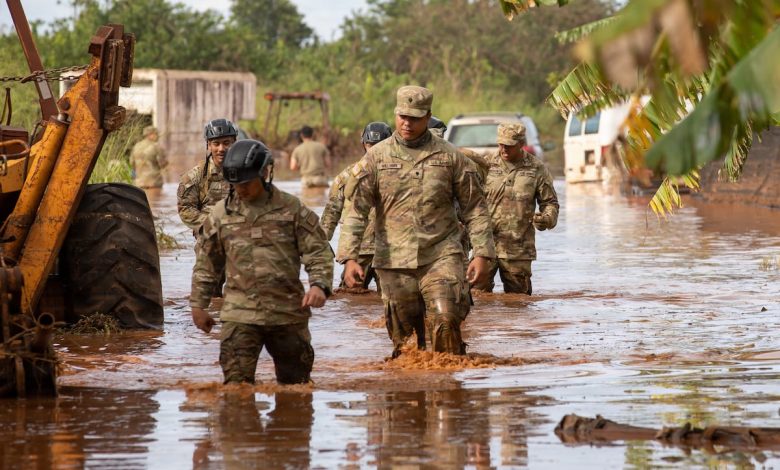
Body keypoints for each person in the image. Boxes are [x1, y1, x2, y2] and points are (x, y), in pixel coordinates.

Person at [338, 85, 495, 357]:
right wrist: (349, 257)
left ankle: (449, 391)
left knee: (445, 321)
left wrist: (482, 254)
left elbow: (475, 208)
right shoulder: (375, 158)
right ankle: (410, 394)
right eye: (402, 116)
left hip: (441, 254)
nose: (407, 123)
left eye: (415, 117)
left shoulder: (450, 157)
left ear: (428, 116)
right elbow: (356, 210)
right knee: (407, 343)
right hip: (393, 260)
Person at [190, 139, 334, 385]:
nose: (241, 190)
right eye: (234, 184)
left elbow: (318, 250)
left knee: (296, 392)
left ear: (265, 173)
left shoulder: (291, 209)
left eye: (246, 183)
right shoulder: (220, 215)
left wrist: (319, 285)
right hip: (239, 315)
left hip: (288, 314)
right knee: (237, 392)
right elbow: (207, 262)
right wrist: (198, 305)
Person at [472, 123, 559, 295]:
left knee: (519, 303)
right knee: (475, 298)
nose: (504, 149)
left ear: (521, 144)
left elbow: (550, 203)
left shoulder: (536, 168)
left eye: (509, 146)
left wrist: (546, 219)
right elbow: (469, 200)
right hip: (485, 246)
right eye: (501, 144)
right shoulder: (486, 165)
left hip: (519, 250)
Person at [320, 121, 392, 290]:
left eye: (379, 145)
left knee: (396, 302)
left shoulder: (400, 175)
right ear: (363, 145)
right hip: (359, 251)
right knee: (350, 299)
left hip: (391, 252)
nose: (373, 150)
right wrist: (320, 243)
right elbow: (331, 212)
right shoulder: (347, 176)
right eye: (370, 145)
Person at [177, 118, 238, 232]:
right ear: (209, 145)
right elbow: (186, 210)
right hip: (209, 237)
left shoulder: (245, 172)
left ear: (234, 143)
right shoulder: (194, 177)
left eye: (226, 143)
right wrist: (214, 225)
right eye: (216, 144)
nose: (221, 149)